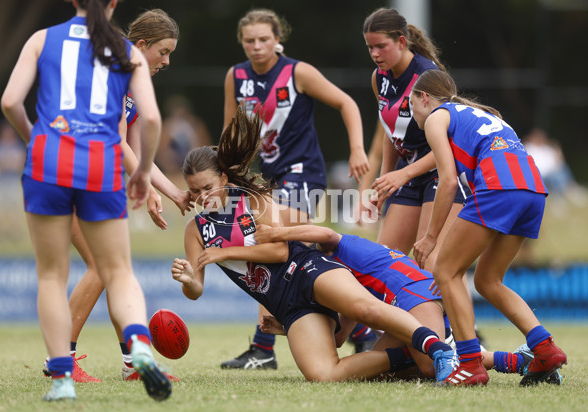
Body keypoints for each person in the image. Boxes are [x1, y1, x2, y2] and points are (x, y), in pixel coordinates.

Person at [171, 105, 458, 383]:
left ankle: (439, 349)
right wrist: (188, 280)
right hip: (286, 305)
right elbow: (195, 290)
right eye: (194, 190)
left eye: (207, 188)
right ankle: (408, 356)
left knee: (365, 310)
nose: (201, 197)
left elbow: (278, 250)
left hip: (306, 269)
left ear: (223, 178)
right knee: (323, 374)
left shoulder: (251, 199)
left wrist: (224, 252)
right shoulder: (195, 230)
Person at [1, 0, 171, 401]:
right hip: (99, 166)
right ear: (114, 4)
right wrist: (144, 172)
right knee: (118, 271)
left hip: (48, 164)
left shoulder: (42, 39)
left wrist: (34, 138)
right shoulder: (127, 50)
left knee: (51, 276)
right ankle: (140, 349)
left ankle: (62, 379)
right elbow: (150, 120)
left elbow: (10, 102)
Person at [40, 8, 186, 383]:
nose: (167, 61)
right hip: (68, 174)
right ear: (141, 45)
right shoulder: (115, 66)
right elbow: (116, 138)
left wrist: (173, 193)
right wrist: (144, 183)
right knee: (104, 269)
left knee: (113, 271)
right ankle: (63, 359)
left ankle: (131, 363)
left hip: (89, 177)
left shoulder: (130, 77)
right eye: (164, 52)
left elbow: (137, 149)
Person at [221, 8, 371, 368]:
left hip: (305, 173)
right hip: (268, 178)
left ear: (277, 39)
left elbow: (346, 103)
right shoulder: (236, 76)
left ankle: (263, 347)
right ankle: (361, 327)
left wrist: (356, 149)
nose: (256, 47)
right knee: (294, 254)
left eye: (263, 39)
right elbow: (230, 131)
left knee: (269, 241)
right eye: (249, 41)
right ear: (242, 43)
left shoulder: (296, 72)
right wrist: (226, 176)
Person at [410, 69, 567, 386]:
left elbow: (448, 180)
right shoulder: (480, 113)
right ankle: (545, 349)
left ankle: (470, 364)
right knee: (487, 280)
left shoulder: (436, 117)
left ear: (424, 98)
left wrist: (429, 238)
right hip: (533, 191)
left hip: (499, 188)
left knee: (445, 271)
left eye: (411, 103)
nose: (412, 112)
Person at [253, 223, 562, 383]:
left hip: (414, 292)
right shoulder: (343, 280)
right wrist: (283, 328)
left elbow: (323, 232)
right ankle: (516, 360)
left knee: (429, 365)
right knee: (378, 370)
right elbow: (339, 337)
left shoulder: (336, 251)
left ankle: (513, 360)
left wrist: (279, 233)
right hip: (410, 299)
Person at [359, 8, 470, 272]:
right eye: (369, 47)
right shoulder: (379, 78)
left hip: (440, 174)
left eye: (381, 46)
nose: (375, 54)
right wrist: (384, 183)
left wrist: (402, 174)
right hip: (408, 176)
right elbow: (391, 132)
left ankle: (451, 315)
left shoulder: (428, 78)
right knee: (382, 266)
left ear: (401, 41)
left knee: (432, 263)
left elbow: (451, 147)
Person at [156, 94, 213, 177]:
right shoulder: (167, 126)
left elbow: (206, 145)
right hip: (175, 162)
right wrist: (169, 165)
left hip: (194, 158)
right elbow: (161, 150)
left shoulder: (196, 124)